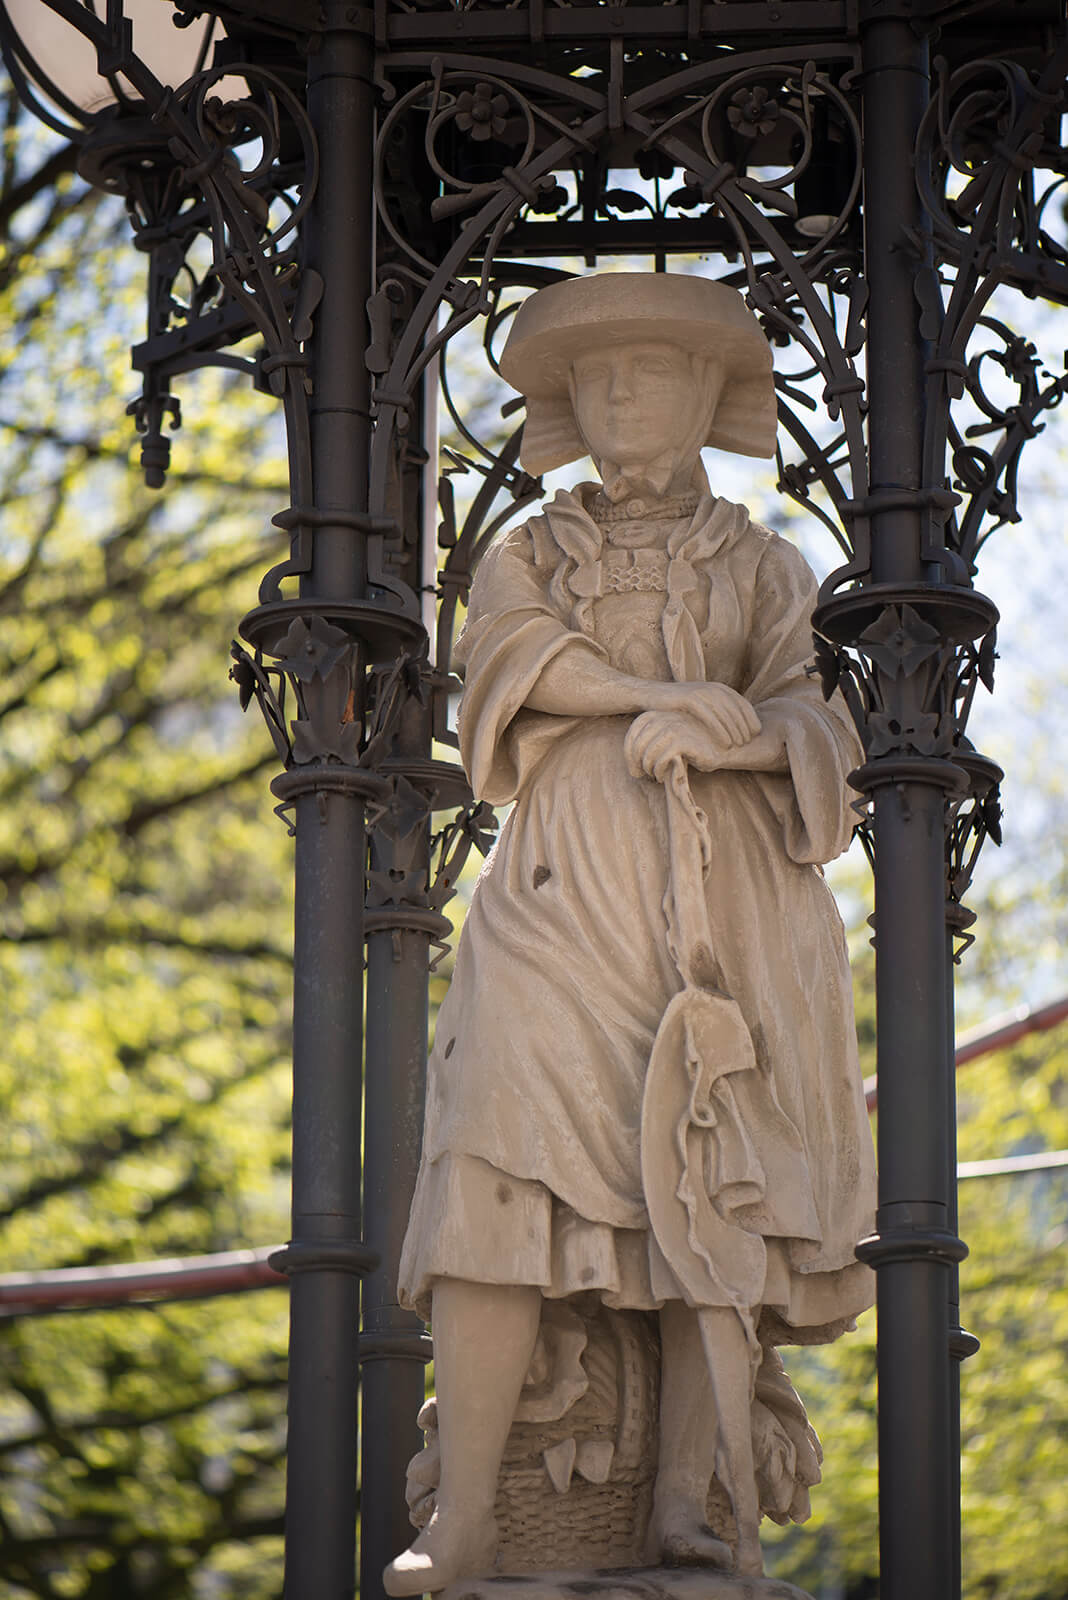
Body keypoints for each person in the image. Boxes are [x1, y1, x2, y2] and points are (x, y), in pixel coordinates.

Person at [384, 272, 876, 1593]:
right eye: (591, 382)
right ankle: (469, 1520)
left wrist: (748, 731)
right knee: (492, 1161)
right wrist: (659, 695)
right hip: (554, 897)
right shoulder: (533, 549)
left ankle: (686, 1509)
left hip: (722, 913)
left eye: (643, 375)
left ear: (708, 397)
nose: (613, 399)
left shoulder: (768, 566)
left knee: (705, 1186)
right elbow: (509, 661)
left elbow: (821, 725)